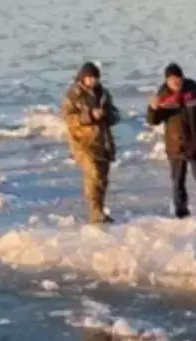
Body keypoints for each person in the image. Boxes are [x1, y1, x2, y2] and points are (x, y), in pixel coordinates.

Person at [147, 63, 196, 224]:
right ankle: (181, 215)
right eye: (171, 80)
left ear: (182, 77)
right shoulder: (163, 95)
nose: (175, 82)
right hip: (176, 146)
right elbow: (153, 121)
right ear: (167, 81)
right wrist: (153, 108)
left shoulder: (195, 91)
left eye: (177, 78)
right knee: (178, 182)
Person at [61, 62, 120, 224]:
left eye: (95, 78)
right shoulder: (74, 95)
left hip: (103, 141)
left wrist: (107, 114)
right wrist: (90, 116)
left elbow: (115, 114)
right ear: (82, 78)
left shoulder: (103, 94)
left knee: (102, 178)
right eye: (89, 78)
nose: (92, 81)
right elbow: (69, 118)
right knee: (93, 175)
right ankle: (95, 213)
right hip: (83, 143)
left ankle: (99, 210)